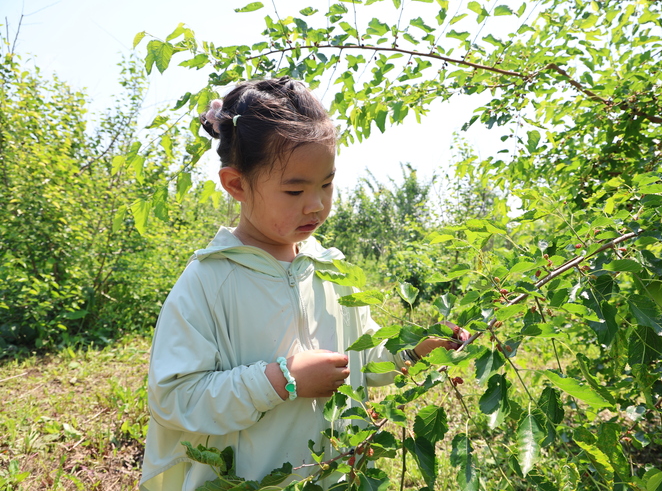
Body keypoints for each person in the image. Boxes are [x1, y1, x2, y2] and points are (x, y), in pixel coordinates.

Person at [139, 77, 468, 491]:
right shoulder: (210, 281)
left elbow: (362, 362)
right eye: (295, 189)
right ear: (237, 184)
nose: (316, 204)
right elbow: (174, 398)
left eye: (327, 184)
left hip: (333, 478)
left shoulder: (332, 270)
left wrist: (415, 350)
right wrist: (282, 381)